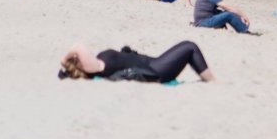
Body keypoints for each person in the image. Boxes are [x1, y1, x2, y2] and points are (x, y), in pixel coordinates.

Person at [58, 41, 215, 83]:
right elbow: (77, 46)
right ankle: (212, 82)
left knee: (187, 48)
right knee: (189, 46)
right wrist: (64, 59)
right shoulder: (96, 68)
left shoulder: (98, 62)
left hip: (153, 62)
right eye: (76, 58)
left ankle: (209, 79)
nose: (77, 56)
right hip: (155, 70)